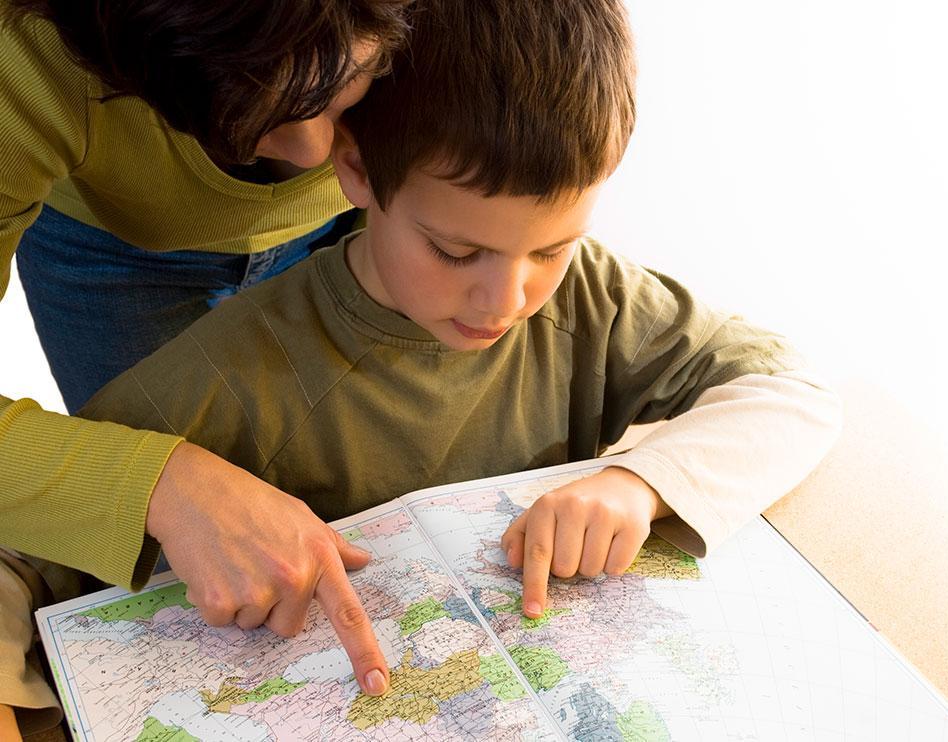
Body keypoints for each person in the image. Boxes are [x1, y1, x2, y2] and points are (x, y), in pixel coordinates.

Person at [74, 0, 834, 725]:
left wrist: (640, 482)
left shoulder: (595, 297)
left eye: (550, 248)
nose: (505, 299)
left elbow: (791, 394)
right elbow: (28, 558)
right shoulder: (230, 374)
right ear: (357, 172)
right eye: (457, 251)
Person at [0, 0, 413, 733]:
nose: (313, 152)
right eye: (246, 107)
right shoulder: (17, 56)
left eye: (357, 75)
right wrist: (160, 484)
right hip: (110, 244)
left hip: (361, 218)